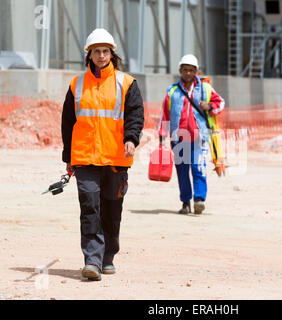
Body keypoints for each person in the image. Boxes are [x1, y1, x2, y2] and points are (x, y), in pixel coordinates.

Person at [61, 28, 144, 281]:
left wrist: (131, 139)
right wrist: (68, 157)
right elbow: (67, 122)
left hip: (116, 158)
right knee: (89, 208)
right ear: (89, 55)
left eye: (105, 51)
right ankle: (92, 261)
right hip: (85, 157)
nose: (100, 55)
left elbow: (135, 115)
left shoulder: (126, 83)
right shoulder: (77, 84)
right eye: (96, 51)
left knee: (111, 209)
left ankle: (108, 256)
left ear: (112, 54)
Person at [158, 54, 225, 215]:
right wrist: (162, 137)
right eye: (185, 70)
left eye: (191, 70)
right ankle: (185, 202)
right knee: (182, 171)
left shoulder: (205, 89)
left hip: (198, 137)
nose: (188, 73)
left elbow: (220, 103)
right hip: (178, 138)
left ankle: (199, 200)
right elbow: (165, 115)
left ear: (196, 71)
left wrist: (208, 105)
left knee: (198, 168)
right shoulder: (172, 91)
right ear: (180, 70)